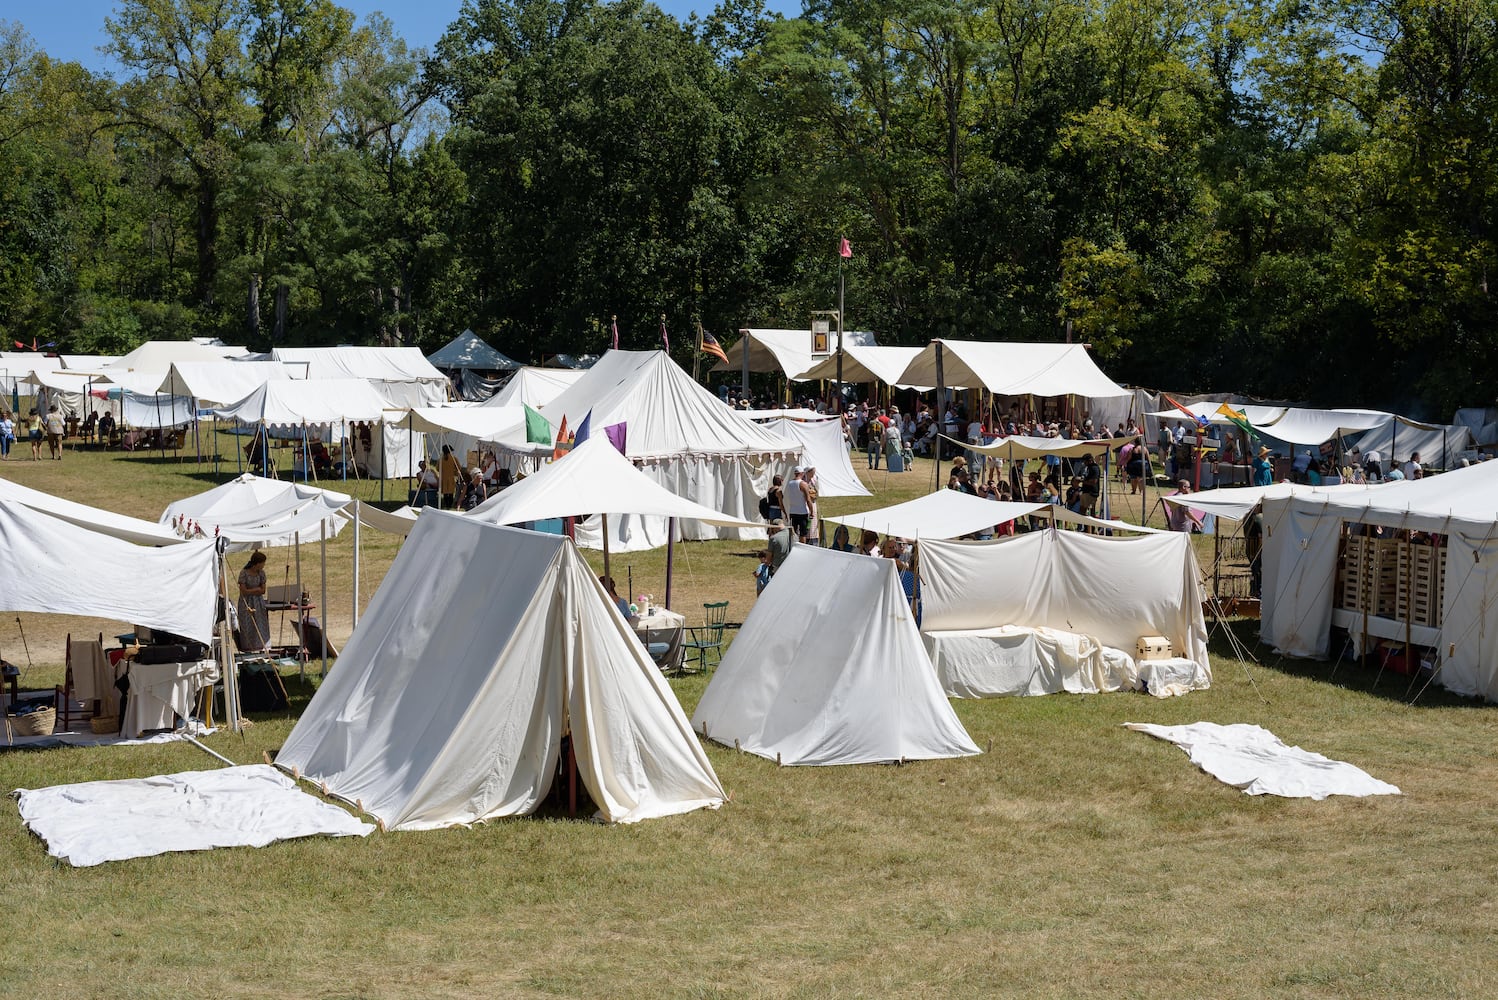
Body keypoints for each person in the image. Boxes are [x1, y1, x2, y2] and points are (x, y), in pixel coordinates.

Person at [236, 551, 272, 652]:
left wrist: (251, 590)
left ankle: (261, 647)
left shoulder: (261, 573)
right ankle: (248, 648)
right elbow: (243, 591)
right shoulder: (244, 573)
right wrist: (256, 590)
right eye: (263, 563)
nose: (264, 565)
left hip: (258, 602)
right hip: (246, 603)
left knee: (260, 623)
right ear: (257, 563)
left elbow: (263, 590)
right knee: (248, 625)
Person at [783, 467, 811, 542]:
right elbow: (808, 499)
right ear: (802, 473)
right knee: (803, 533)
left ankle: (792, 548)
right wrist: (811, 510)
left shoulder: (789, 483)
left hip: (793, 511)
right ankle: (802, 550)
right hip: (802, 511)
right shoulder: (803, 484)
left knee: (793, 532)